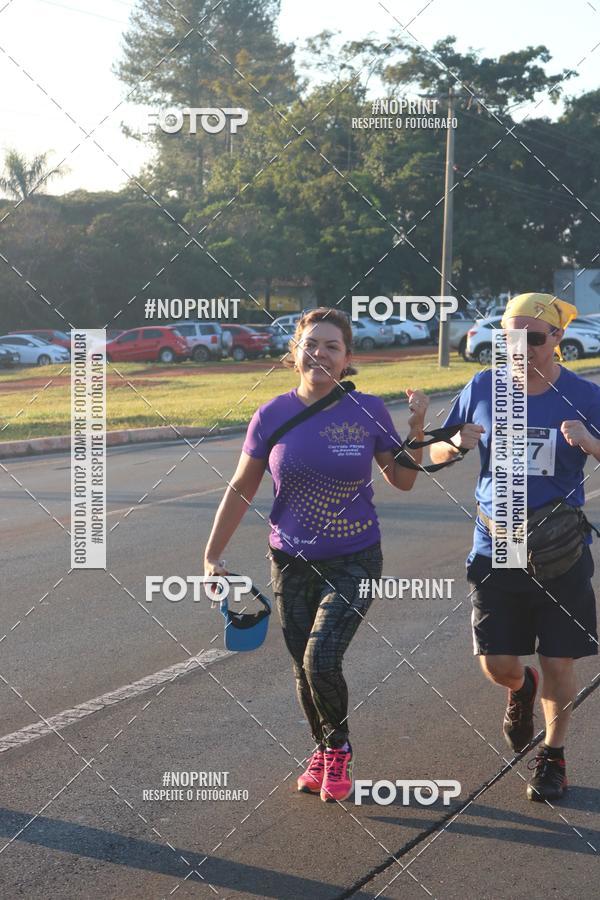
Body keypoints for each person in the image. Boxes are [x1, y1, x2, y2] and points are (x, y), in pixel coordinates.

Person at [204, 308, 429, 802]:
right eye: (311, 343)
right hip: (289, 561)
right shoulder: (271, 415)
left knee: (320, 658)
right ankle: (322, 750)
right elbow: (242, 487)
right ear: (295, 352)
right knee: (301, 667)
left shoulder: (368, 409)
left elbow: (403, 480)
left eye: (332, 346)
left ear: (347, 358)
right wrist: (212, 554)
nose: (320, 353)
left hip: (355, 558)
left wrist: (416, 429)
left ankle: (339, 750)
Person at [430, 292, 599, 801]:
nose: (521, 347)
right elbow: (436, 452)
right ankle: (521, 689)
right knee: (497, 663)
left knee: (559, 661)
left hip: (558, 547)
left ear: (557, 338)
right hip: (498, 545)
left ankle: (553, 755)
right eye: (510, 337)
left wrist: (591, 443)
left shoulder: (585, 395)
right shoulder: (484, 385)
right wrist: (454, 444)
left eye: (534, 336)